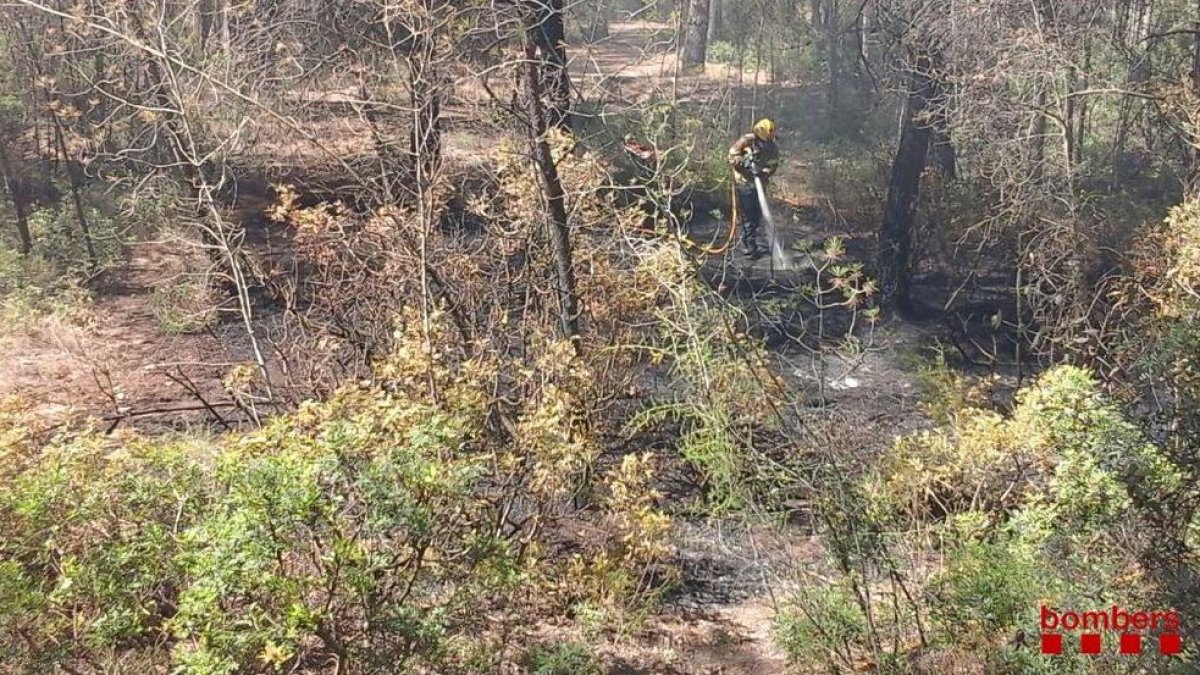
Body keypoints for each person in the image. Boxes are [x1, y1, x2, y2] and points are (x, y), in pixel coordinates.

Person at [728, 118, 780, 258]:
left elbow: (774, 164)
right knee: (749, 216)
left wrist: (763, 172)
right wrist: (744, 164)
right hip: (744, 183)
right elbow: (732, 155)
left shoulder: (772, 147)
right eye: (764, 140)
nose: (765, 143)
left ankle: (748, 241)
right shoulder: (746, 140)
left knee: (756, 215)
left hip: (760, 184)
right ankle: (749, 245)